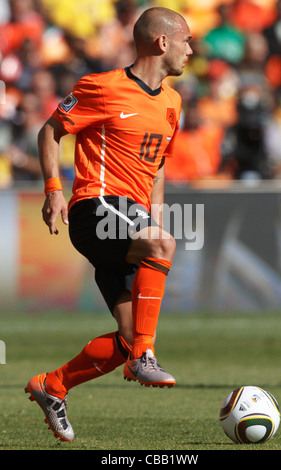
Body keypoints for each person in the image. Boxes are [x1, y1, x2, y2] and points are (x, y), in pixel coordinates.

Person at [25, 7, 193, 442]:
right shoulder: (102, 87)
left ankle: (53, 385)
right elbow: (50, 131)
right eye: (186, 41)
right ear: (162, 43)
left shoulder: (173, 103)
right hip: (95, 207)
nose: (190, 50)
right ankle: (146, 354)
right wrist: (53, 189)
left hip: (129, 220)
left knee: (125, 335)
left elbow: (157, 170)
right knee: (161, 250)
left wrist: (152, 223)